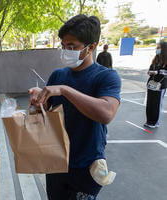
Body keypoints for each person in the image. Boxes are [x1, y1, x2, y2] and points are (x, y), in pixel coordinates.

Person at [29, 15, 121, 199]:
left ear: (91, 47)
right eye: (63, 46)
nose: (66, 51)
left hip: (86, 165)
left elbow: (106, 113)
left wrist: (65, 90)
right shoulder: (58, 75)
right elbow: (47, 112)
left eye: (71, 46)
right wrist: (39, 102)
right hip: (56, 161)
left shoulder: (106, 77)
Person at [144, 42, 167, 128]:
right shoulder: (156, 59)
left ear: (163, 49)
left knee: (156, 104)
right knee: (149, 103)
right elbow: (151, 68)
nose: (157, 49)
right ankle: (149, 120)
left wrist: (158, 72)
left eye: (159, 47)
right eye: (157, 47)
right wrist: (150, 72)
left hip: (160, 85)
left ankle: (154, 122)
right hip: (152, 83)